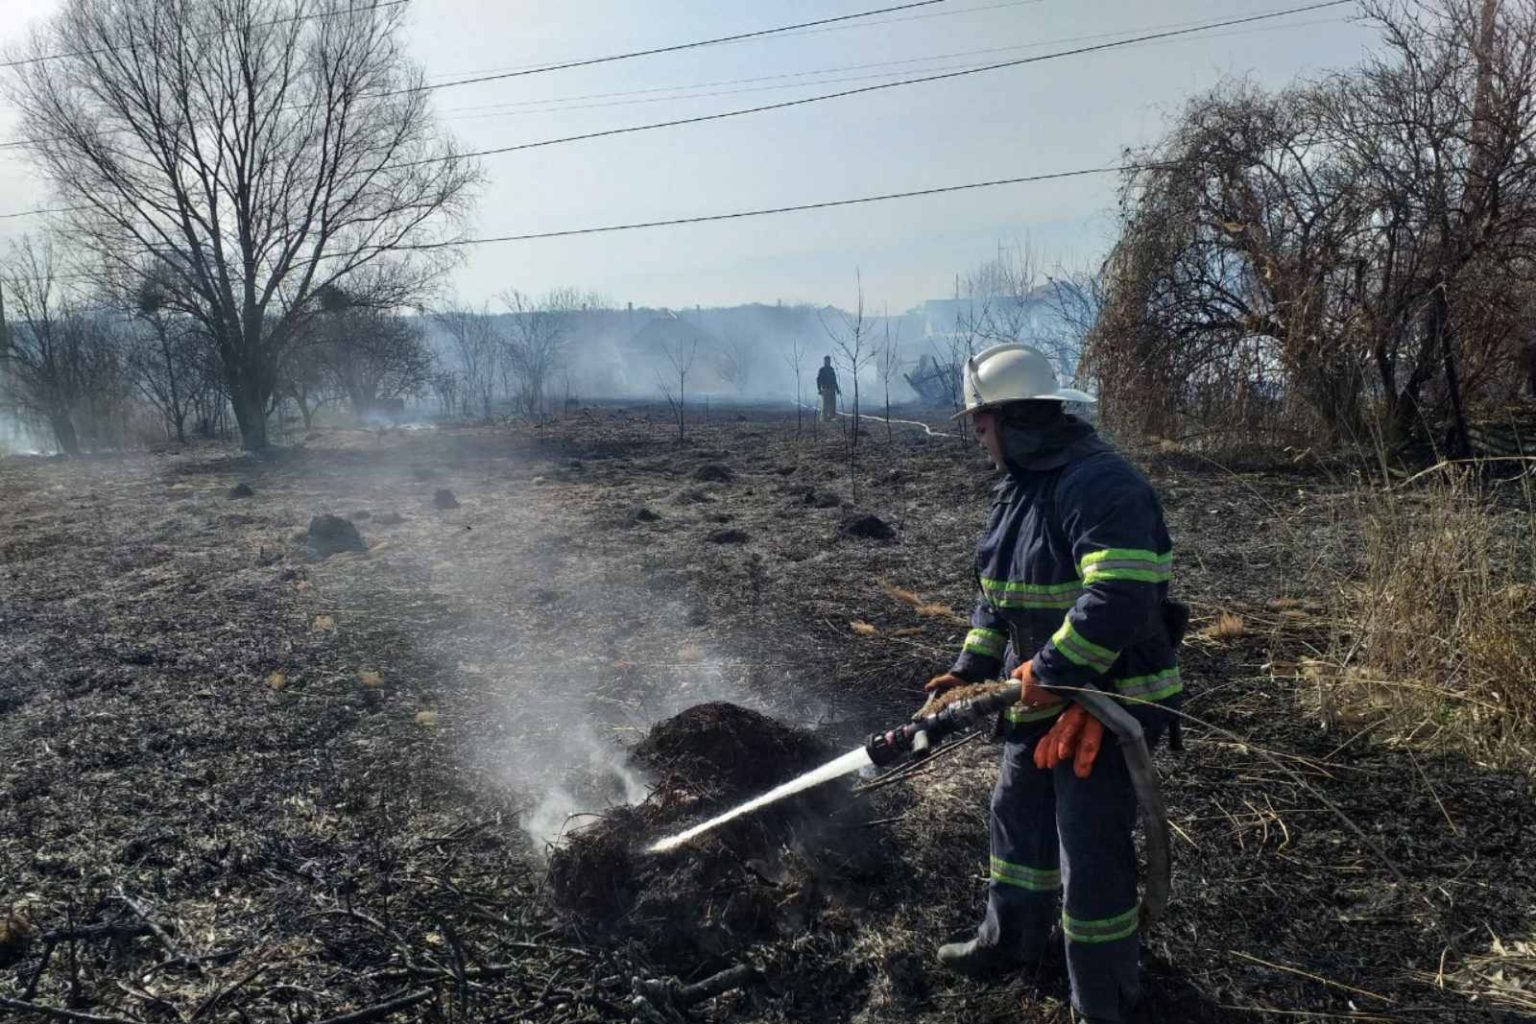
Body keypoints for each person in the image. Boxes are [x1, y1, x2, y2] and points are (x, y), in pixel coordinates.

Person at [925, 342, 1183, 1024]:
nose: (978, 440)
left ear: (1012, 419)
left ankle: (1102, 996)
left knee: (1090, 846)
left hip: (1111, 698)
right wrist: (970, 668)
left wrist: (1051, 670)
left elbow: (1123, 594)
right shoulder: (1020, 489)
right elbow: (998, 595)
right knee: (1016, 813)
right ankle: (1009, 943)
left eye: (981, 425)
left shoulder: (1099, 484)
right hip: (1042, 692)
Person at [815, 355, 840, 421]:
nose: (828, 362)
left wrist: (837, 389)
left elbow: (834, 380)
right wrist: (819, 389)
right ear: (824, 361)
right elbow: (818, 379)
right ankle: (824, 418)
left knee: (832, 404)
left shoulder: (831, 369)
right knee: (825, 404)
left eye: (829, 361)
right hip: (825, 388)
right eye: (827, 361)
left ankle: (832, 417)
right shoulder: (822, 370)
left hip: (832, 388)